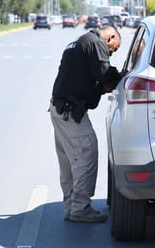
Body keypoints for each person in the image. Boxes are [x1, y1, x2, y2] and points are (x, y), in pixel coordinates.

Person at [49, 25, 122, 222]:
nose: (111, 53)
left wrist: (100, 88)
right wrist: (121, 76)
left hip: (59, 109)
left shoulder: (79, 42)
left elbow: (85, 80)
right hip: (71, 113)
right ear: (110, 37)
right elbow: (104, 73)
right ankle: (81, 208)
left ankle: (71, 207)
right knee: (86, 155)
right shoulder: (96, 43)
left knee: (68, 162)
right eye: (113, 49)